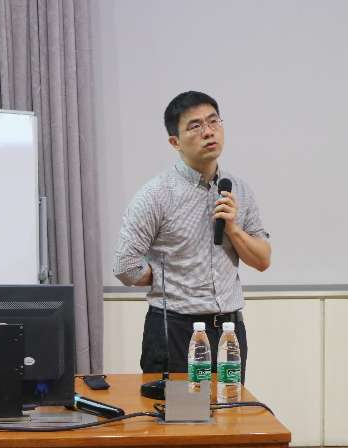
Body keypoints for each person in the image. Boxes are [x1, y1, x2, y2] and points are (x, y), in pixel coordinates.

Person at [113, 91, 271, 384]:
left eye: (213, 121)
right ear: (175, 142)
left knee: (229, 409)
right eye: (195, 126)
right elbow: (125, 266)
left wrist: (233, 229)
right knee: (183, 412)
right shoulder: (157, 194)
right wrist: (163, 276)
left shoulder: (239, 190)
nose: (208, 132)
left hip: (229, 332)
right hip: (175, 329)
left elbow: (262, 260)